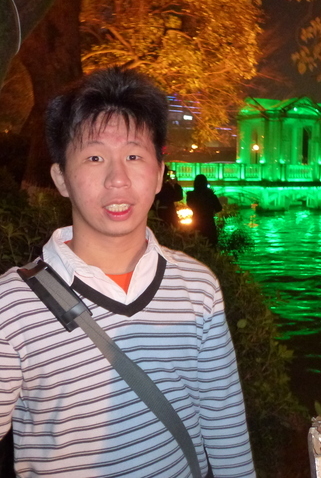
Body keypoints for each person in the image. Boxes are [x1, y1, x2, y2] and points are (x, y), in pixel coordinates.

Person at [0, 67, 255, 478]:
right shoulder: (12, 305)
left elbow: (224, 426)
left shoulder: (198, 287)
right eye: (94, 157)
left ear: (159, 173)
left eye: (134, 156)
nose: (117, 179)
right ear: (61, 178)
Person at [186, 175, 223, 246]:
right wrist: (212, 212)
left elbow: (190, 205)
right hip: (209, 222)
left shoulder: (191, 195)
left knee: (196, 243)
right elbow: (219, 208)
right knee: (210, 243)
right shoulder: (211, 196)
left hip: (196, 221)